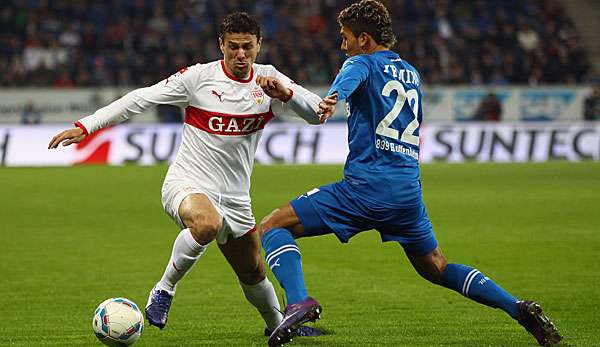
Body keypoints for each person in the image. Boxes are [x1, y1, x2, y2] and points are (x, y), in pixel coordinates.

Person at [258, 1, 562, 346]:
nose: (343, 45)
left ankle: (299, 301)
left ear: (364, 39)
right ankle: (516, 307)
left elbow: (345, 83)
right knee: (437, 266)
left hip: (366, 187)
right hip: (406, 192)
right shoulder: (412, 72)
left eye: (346, 38)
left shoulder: (358, 63)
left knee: (272, 225)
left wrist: (330, 100)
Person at [48, 12, 326, 339]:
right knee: (207, 224)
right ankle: (163, 290)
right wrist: (87, 125)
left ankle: (279, 325)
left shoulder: (269, 81)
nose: (240, 55)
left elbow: (318, 113)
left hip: (236, 198)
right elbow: (140, 99)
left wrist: (285, 94)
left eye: (247, 47)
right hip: (188, 183)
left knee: (253, 272)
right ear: (221, 45)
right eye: (233, 47)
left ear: (259, 45)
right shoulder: (198, 78)